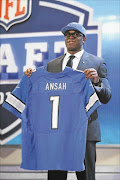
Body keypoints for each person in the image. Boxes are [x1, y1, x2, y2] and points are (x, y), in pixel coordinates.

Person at [25, 22, 112, 180]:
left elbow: (106, 96)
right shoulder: (52, 65)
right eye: (67, 35)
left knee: (86, 176)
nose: (70, 38)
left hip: (85, 130)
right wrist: (32, 78)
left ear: (84, 38)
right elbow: (42, 94)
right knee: (56, 175)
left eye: (75, 34)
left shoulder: (97, 63)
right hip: (58, 131)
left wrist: (96, 81)